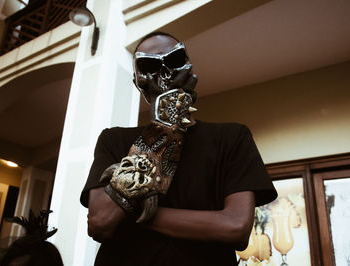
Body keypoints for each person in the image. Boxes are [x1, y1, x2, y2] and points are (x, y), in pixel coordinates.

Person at [80, 32, 277, 266]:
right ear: (137, 82)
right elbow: (101, 222)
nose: (165, 74)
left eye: (174, 61)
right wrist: (164, 125)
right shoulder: (113, 139)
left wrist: (134, 211)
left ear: (190, 68)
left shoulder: (231, 137)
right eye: (150, 66)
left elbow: (235, 228)